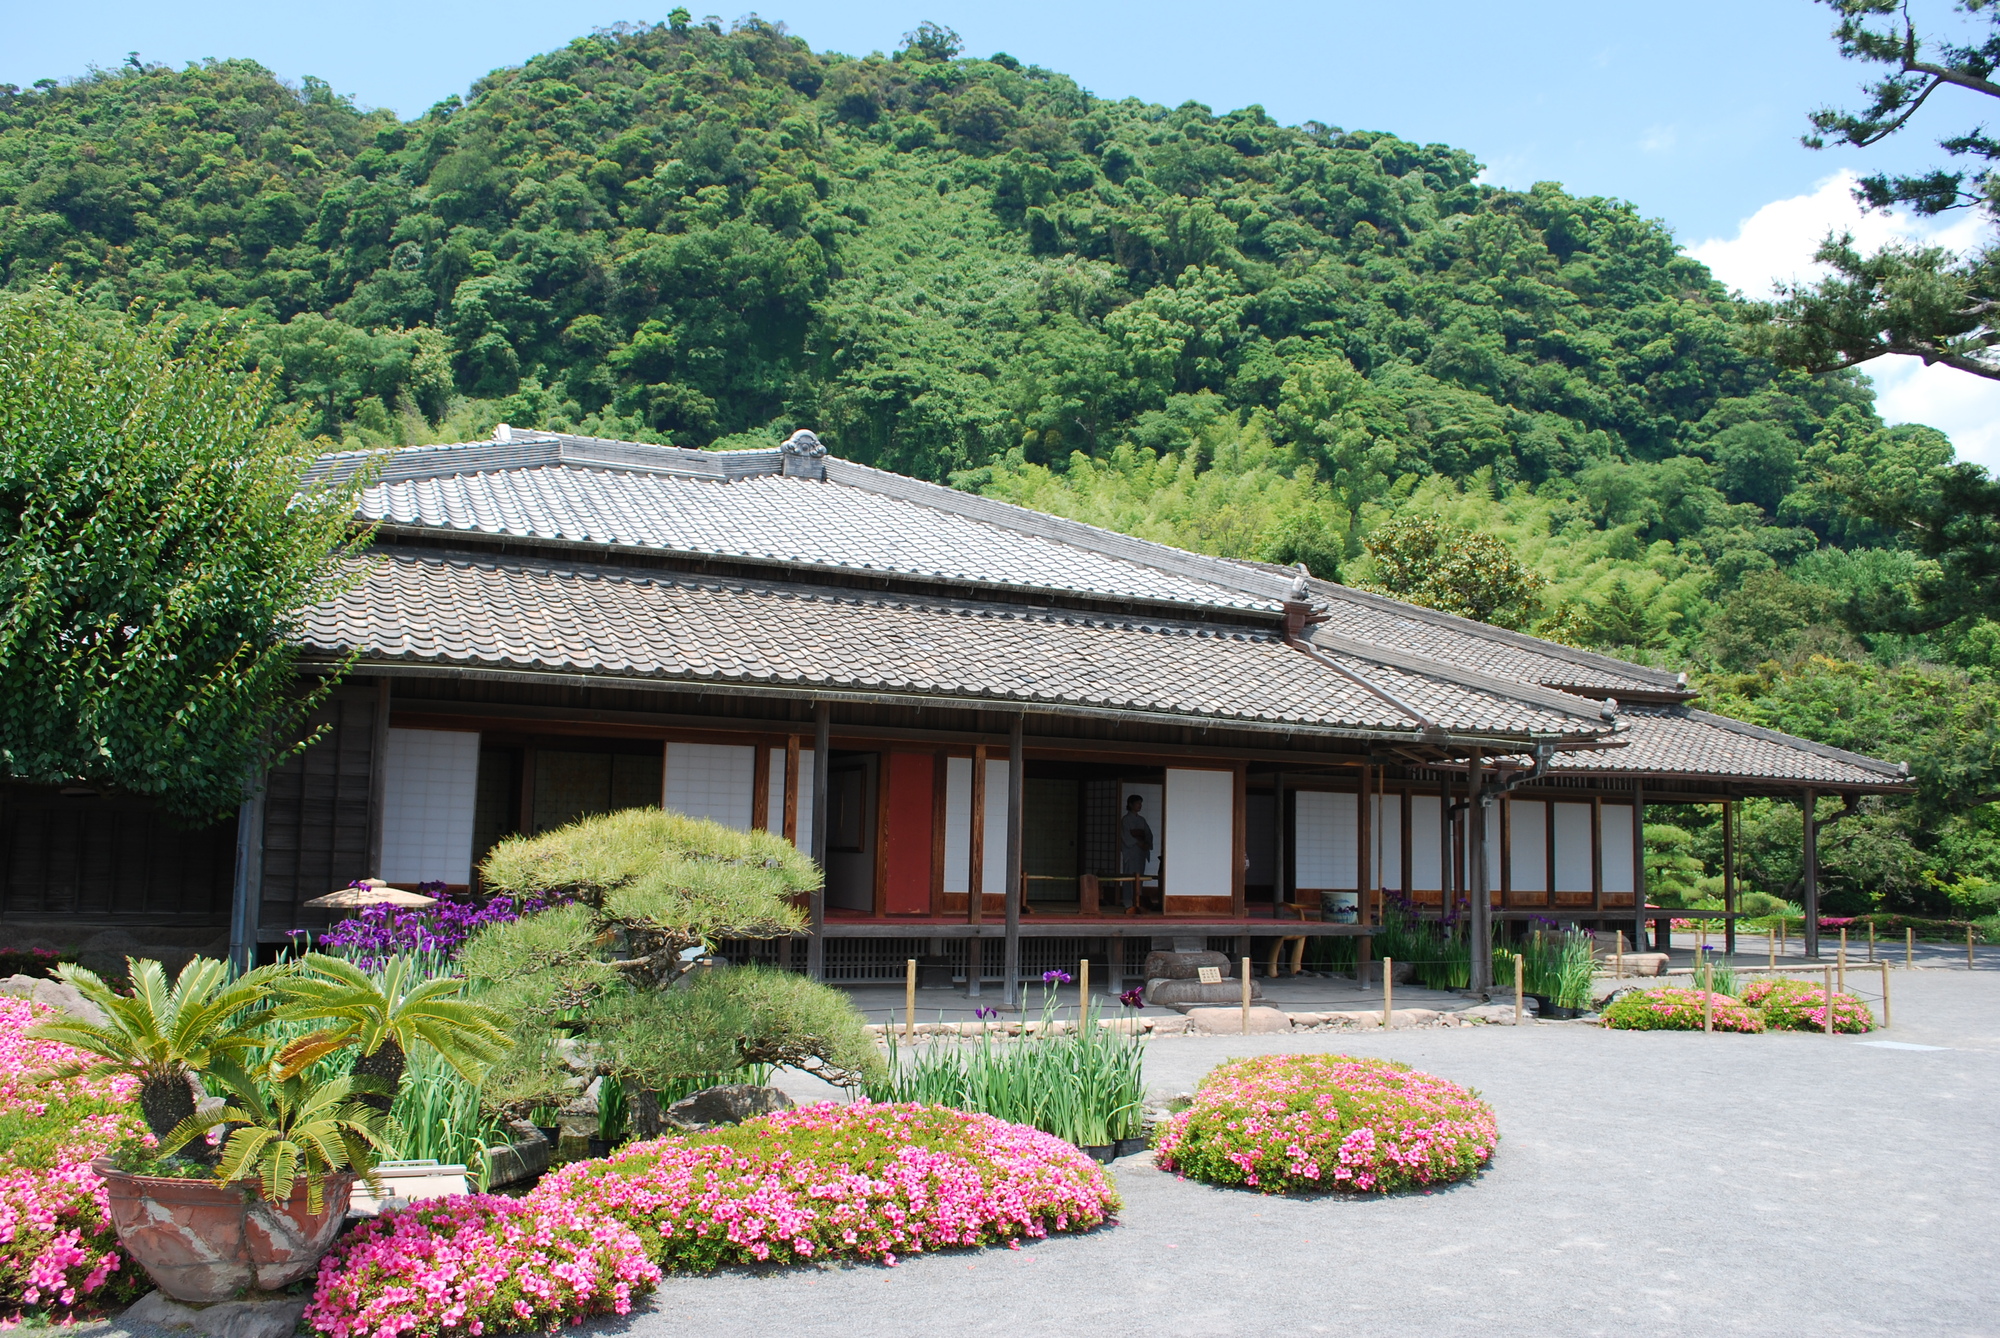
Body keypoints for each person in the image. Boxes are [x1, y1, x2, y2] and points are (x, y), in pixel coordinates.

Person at [1119, 793, 1153, 915]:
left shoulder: (1141, 820)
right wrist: (1138, 843)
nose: (1140, 805)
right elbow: (1126, 836)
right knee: (1129, 875)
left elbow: (1148, 834)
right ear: (1130, 804)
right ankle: (1128, 900)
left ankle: (1138, 899)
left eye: (1140, 803)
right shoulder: (1126, 820)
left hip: (1140, 852)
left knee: (1140, 876)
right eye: (1138, 803)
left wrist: (1147, 843)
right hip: (1131, 850)